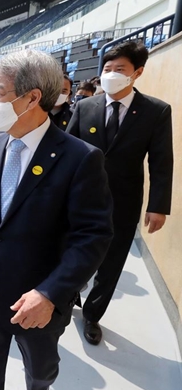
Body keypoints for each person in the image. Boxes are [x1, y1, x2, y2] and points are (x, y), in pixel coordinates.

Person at [0, 50, 113, 390]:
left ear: (31, 98)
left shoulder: (81, 158)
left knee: (40, 366)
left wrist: (49, 293)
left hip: (40, 299)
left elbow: (93, 236)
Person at [67, 40, 173, 345]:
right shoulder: (85, 107)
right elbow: (66, 151)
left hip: (124, 202)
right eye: (107, 68)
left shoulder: (155, 111)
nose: (111, 74)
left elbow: (161, 161)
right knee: (74, 250)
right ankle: (70, 293)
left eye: (120, 69)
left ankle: (92, 315)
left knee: (111, 263)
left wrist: (158, 205)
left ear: (137, 73)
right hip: (80, 197)